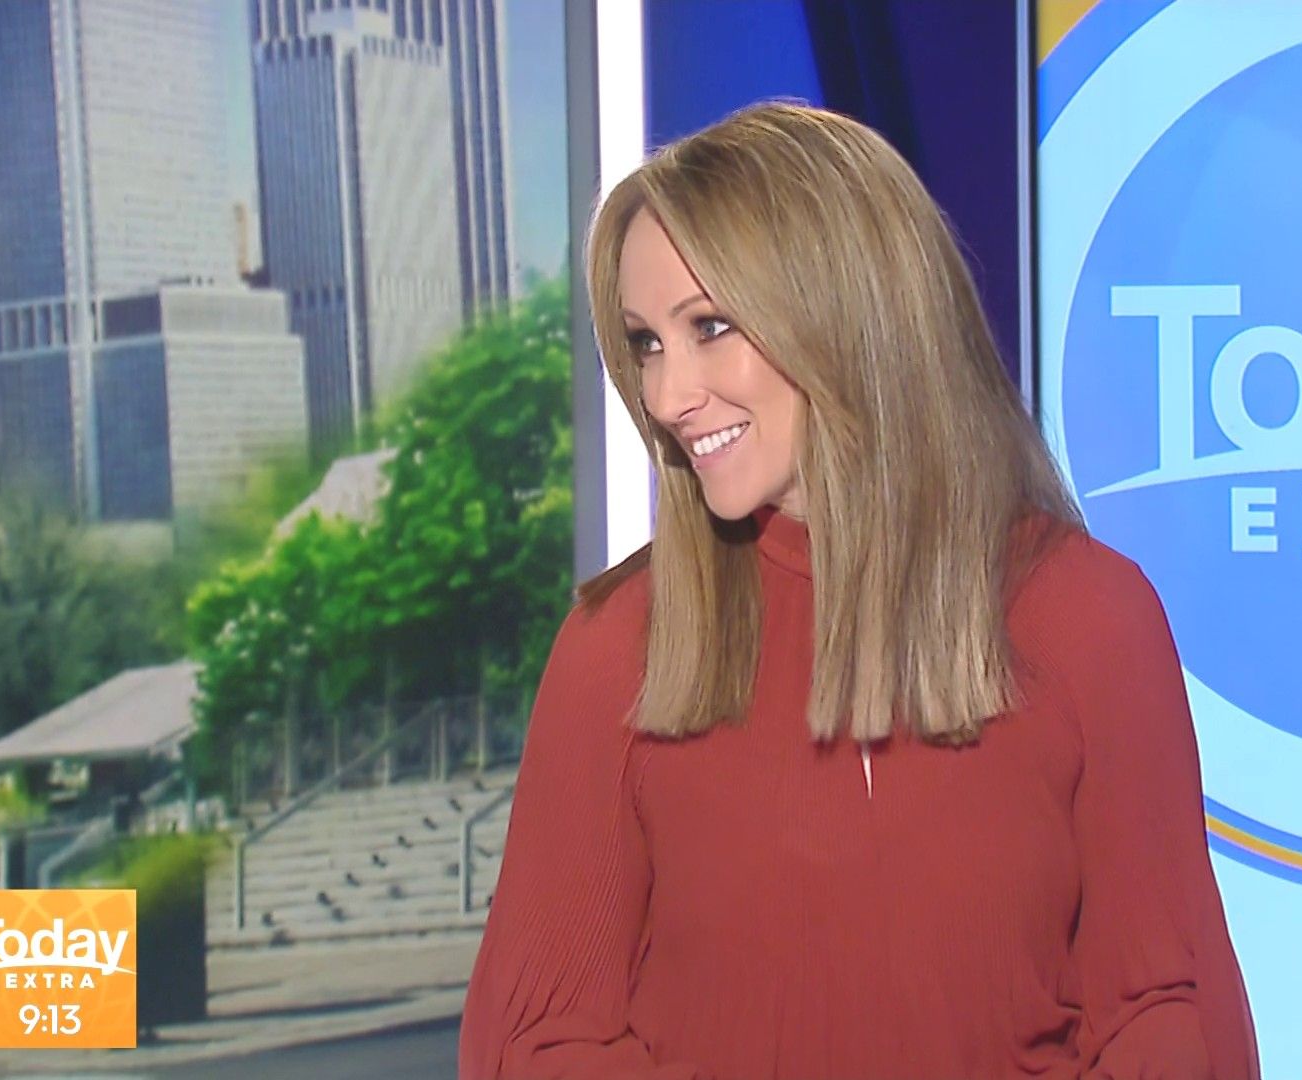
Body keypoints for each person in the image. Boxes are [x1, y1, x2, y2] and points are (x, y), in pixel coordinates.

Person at [459, 102, 1259, 1079]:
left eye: (709, 327)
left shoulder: (1089, 620)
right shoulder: (617, 649)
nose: (666, 397)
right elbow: (541, 1043)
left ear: (849, 313)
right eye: (646, 343)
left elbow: (1165, 1017)